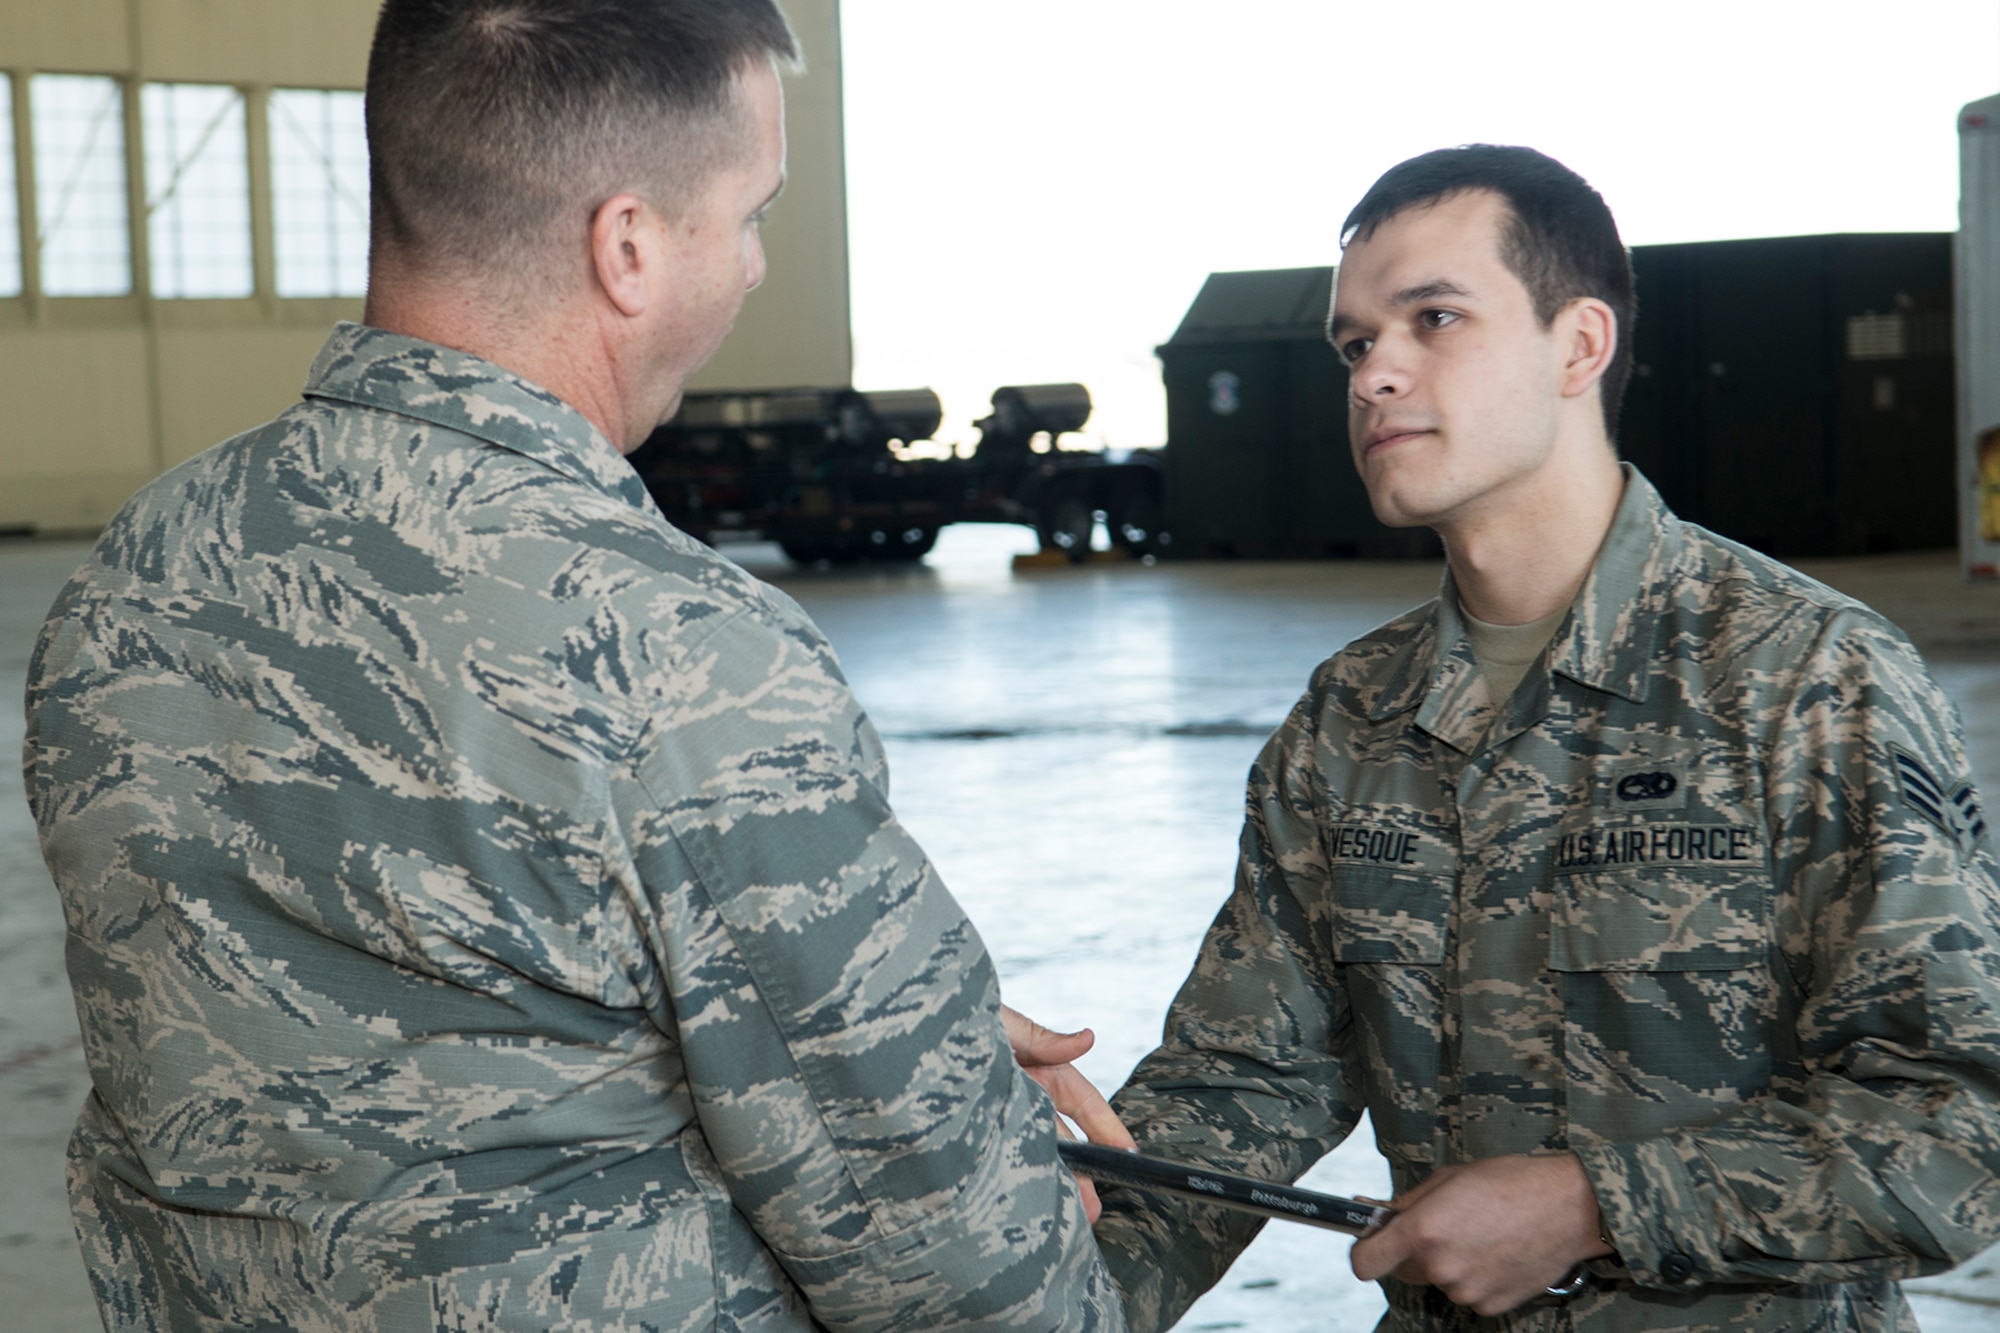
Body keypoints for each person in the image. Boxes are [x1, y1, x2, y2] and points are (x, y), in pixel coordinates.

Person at [23, 2, 1128, 1329]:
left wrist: (842, 1024)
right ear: (628, 247)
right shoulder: (686, 656)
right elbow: (958, 1274)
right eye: (750, 215)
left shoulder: (137, 567)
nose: (759, 264)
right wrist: (962, 1145)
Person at [1088, 145, 2000, 1331]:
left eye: (1432, 318)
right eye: (1355, 343)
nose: (1374, 375)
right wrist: (1041, 1274)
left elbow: (1959, 1122)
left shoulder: (1807, 680)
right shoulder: (1350, 714)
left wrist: (1592, 1205)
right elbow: (1244, 1078)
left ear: (1577, 345)